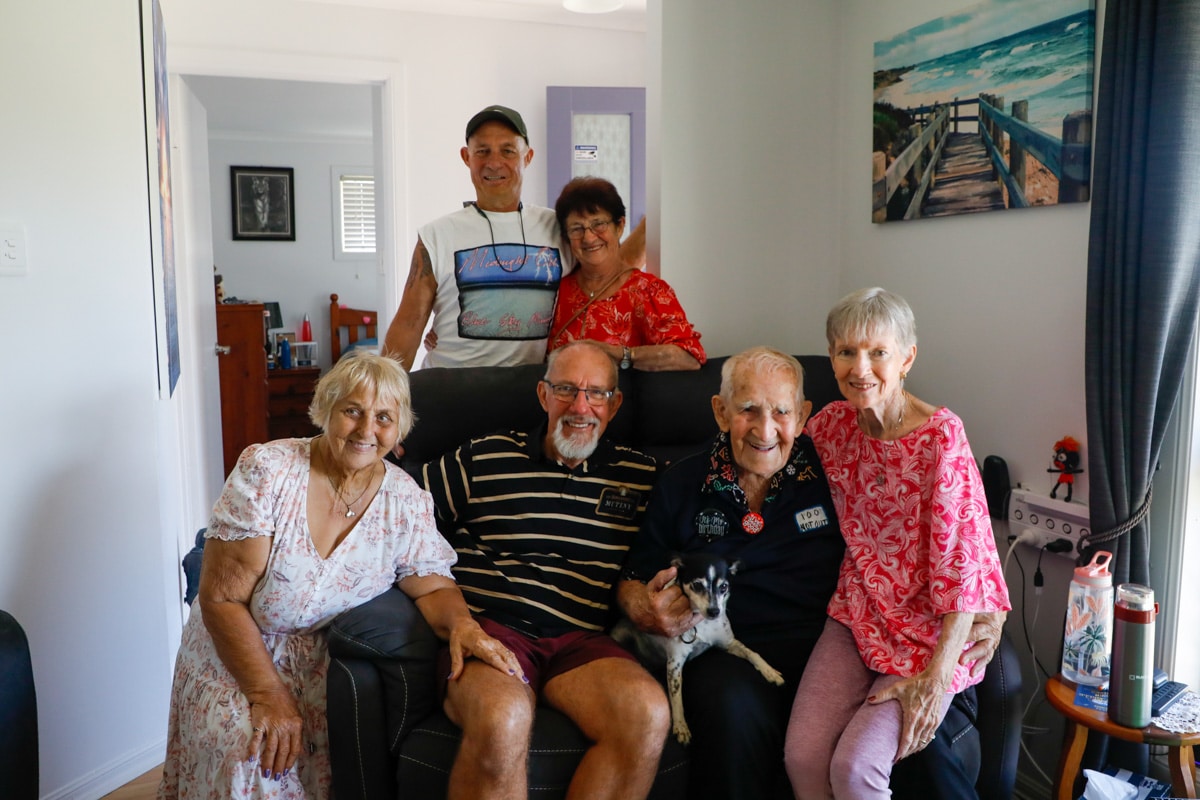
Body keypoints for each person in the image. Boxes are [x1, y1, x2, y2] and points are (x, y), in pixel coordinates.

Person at [617, 347, 1005, 800]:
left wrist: (989, 606)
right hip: (734, 650)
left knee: (916, 736)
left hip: (841, 644)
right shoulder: (682, 482)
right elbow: (634, 572)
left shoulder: (833, 464)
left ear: (802, 416)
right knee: (730, 709)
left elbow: (940, 531)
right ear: (720, 413)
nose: (766, 430)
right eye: (748, 410)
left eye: (781, 411)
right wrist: (643, 606)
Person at [158, 352, 523, 800]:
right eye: (353, 411)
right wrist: (267, 694)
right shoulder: (268, 471)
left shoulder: (405, 500)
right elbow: (221, 600)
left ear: (401, 428)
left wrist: (463, 625)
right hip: (238, 654)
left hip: (321, 666)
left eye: (384, 417)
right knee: (248, 751)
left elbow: (429, 580)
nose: (367, 430)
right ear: (326, 410)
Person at [783, 288, 1010, 800]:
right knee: (802, 756)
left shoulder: (941, 438)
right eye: (845, 352)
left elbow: (964, 561)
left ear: (907, 358)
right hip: (856, 614)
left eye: (877, 352)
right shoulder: (831, 427)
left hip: (928, 631)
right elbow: (771, 455)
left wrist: (937, 678)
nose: (859, 367)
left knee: (856, 769)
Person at [420, 340, 670, 799]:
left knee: (647, 712)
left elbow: (699, 508)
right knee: (503, 717)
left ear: (614, 405)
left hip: (581, 640)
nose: (581, 406)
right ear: (542, 395)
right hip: (494, 631)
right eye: (566, 390)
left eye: (596, 393)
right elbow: (401, 513)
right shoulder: (485, 457)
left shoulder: (644, 475)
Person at [382, 104, 644, 371]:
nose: (494, 163)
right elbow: (408, 324)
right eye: (482, 151)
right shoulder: (436, 236)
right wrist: (381, 398)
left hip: (533, 388)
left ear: (527, 157)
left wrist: (654, 221)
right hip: (452, 386)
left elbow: (610, 271)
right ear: (466, 157)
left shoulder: (556, 227)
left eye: (507, 151)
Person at [547, 177, 705, 372]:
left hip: (622, 400)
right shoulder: (556, 291)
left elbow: (689, 357)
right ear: (566, 237)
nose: (588, 237)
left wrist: (620, 354)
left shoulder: (648, 291)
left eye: (599, 224)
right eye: (577, 229)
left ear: (619, 226)